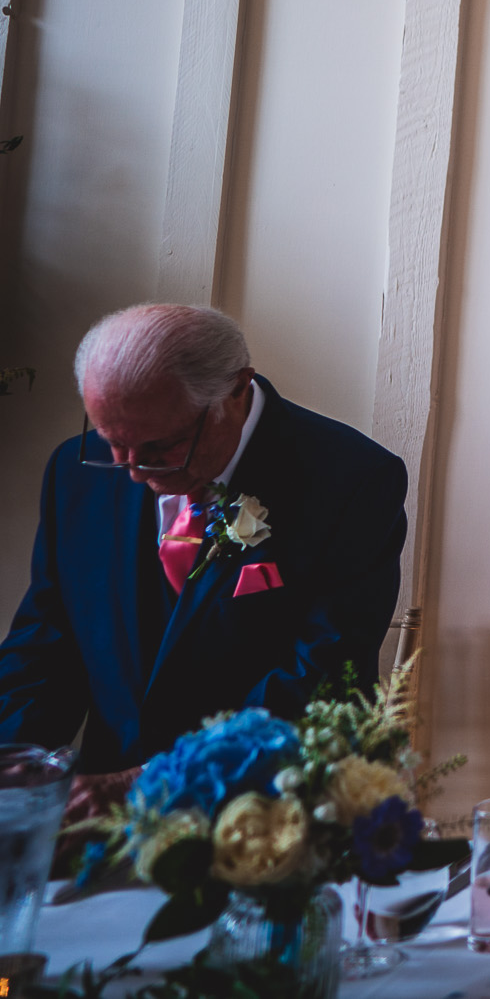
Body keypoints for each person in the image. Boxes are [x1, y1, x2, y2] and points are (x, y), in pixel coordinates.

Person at [0, 303, 407, 830]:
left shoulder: (352, 480)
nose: (130, 471)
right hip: (96, 827)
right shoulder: (74, 473)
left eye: (160, 447)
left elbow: (321, 676)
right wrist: (12, 775)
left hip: (267, 819)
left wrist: (151, 780)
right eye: (110, 440)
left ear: (237, 390)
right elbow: (44, 648)